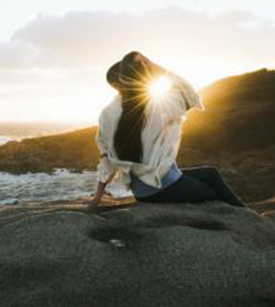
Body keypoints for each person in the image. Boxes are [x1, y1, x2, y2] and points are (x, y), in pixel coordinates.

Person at [87, 50, 246, 209]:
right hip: (165, 187)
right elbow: (189, 94)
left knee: (211, 173)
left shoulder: (107, 114)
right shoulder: (157, 104)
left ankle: (247, 213)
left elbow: (105, 159)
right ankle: (247, 216)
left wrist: (97, 197)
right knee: (215, 194)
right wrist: (155, 67)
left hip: (142, 192)